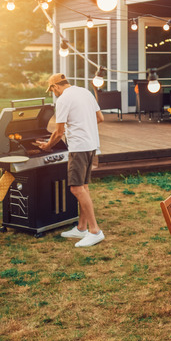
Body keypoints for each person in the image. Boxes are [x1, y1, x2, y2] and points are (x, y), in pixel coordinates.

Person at [37, 73, 105, 248]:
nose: (54, 93)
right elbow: (100, 118)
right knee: (83, 187)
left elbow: (58, 132)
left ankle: (95, 231)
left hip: (79, 148)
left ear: (55, 87)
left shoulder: (63, 100)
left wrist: (47, 146)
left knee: (76, 188)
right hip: (91, 145)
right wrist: (84, 126)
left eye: (52, 90)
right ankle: (81, 228)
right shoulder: (85, 92)